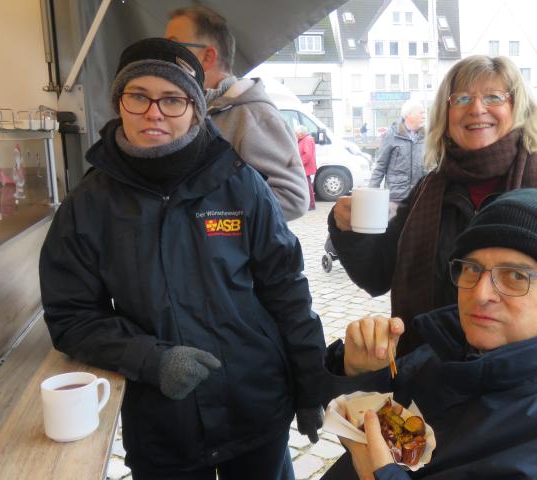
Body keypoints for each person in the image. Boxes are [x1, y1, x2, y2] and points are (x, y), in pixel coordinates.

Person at [38, 38, 326, 479]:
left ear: (195, 109)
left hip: (255, 407)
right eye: (139, 96)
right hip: (162, 424)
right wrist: (150, 359)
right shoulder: (89, 204)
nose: (154, 112)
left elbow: (287, 290)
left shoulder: (240, 184)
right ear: (119, 103)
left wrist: (310, 386)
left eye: (172, 99)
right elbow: (71, 316)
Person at [328, 55, 537, 384]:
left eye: (493, 97)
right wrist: (348, 231)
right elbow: (376, 275)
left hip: (523, 390)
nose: (476, 108)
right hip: (431, 387)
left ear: (517, 108)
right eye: (462, 99)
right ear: (446, 114)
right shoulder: (428, 192)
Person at [323, 189, 537, 479]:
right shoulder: (451, 352)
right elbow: (381, 423)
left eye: (515, 276)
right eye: (472, 269)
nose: (480, 294)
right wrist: (362, 375)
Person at [165, 5, 309, 221]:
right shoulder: (189, 109)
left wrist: (197, 212)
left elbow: (292, 198)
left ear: (207, 57)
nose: (163, 54)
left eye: (173, 46)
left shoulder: (253, 115)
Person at [368, 100, 427, 215]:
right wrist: (371, 194)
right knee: (395, 226)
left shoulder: (427, 136)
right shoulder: (392, 134)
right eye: (421, 113)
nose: (424, 116)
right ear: (408, 115)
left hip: (420, 197)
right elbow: (380, 166)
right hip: (396, 198)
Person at [296, 125, 317, 211]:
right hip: (304, 167)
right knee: (306, 185)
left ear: (301, 134)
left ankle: (311, 205)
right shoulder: (304, 139)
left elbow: (307, 155)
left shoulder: (307, 140)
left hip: (305, 167)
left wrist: (299, 163)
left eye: (296, 134)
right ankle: (308, 204)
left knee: (307, 186)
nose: (295, 135)